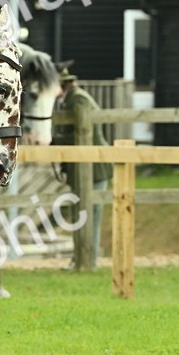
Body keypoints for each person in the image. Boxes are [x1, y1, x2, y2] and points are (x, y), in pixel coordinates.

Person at [54, 66, 112, 270]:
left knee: (90, 215)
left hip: (94, 168)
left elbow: (83, 132)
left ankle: (89, 261)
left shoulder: (78, 99)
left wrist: (55, 141)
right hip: (81, 167)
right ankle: (79, 259)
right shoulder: (70, 99)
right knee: (79, 214)